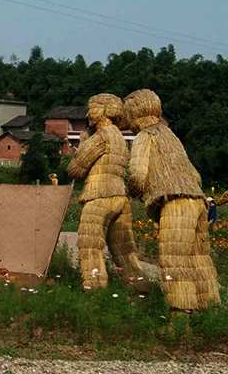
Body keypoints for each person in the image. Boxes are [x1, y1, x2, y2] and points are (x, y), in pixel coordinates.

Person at [124, 89, 220, 310]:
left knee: (175, 260)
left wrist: (133, 192)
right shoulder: (171, 136)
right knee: (200, 259)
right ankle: (209, 307)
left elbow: (137, 174)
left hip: (175, 204)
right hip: (197, 200)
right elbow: (195, 175)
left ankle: (180, 315)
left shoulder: (144, 136)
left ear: (134, 114)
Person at [67, 94, 148, 291]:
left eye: (92, 109)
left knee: (90, 245)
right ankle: (141, 289)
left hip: (99, 196)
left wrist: (83, 143)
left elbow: (75, 169)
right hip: (120, 196)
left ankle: (95, 290)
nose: (88, 114)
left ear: (104, 110)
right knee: (125, 251)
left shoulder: (101, 136)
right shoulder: (119, 137)